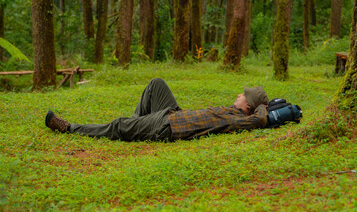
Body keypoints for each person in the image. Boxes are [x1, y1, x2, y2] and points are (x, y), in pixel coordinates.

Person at [45, 78, 269, 141]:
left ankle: (70, 128)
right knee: (156, 84)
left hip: (167, 126)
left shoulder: (240, 120)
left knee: (118, 125)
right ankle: (134, 125)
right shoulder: (232, 111)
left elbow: (258, 120)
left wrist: (266, 108)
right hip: (174, 114)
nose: (239, 94)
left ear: (248, 106)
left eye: (243, 95)